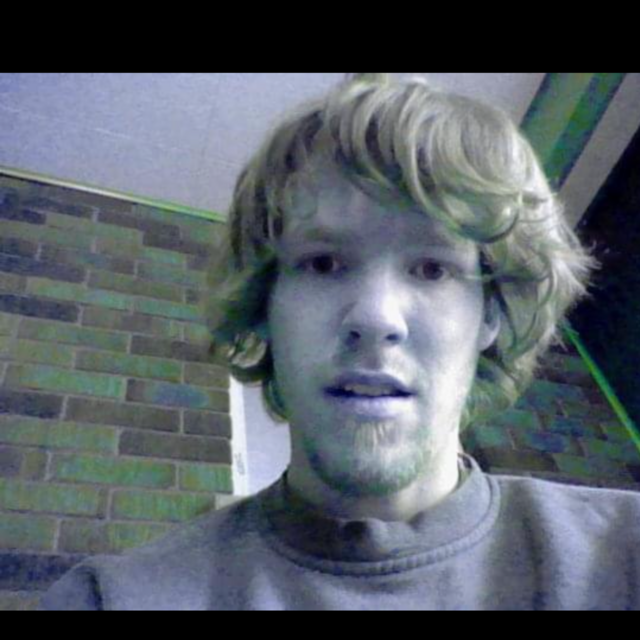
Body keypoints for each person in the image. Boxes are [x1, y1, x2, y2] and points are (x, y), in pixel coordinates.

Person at [40, 73, 639, 611]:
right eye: (323, 263)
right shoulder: (112, 600)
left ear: (492, 316)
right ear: (264, 308)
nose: (376, 318)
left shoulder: (623, 555)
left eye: (433, 268)